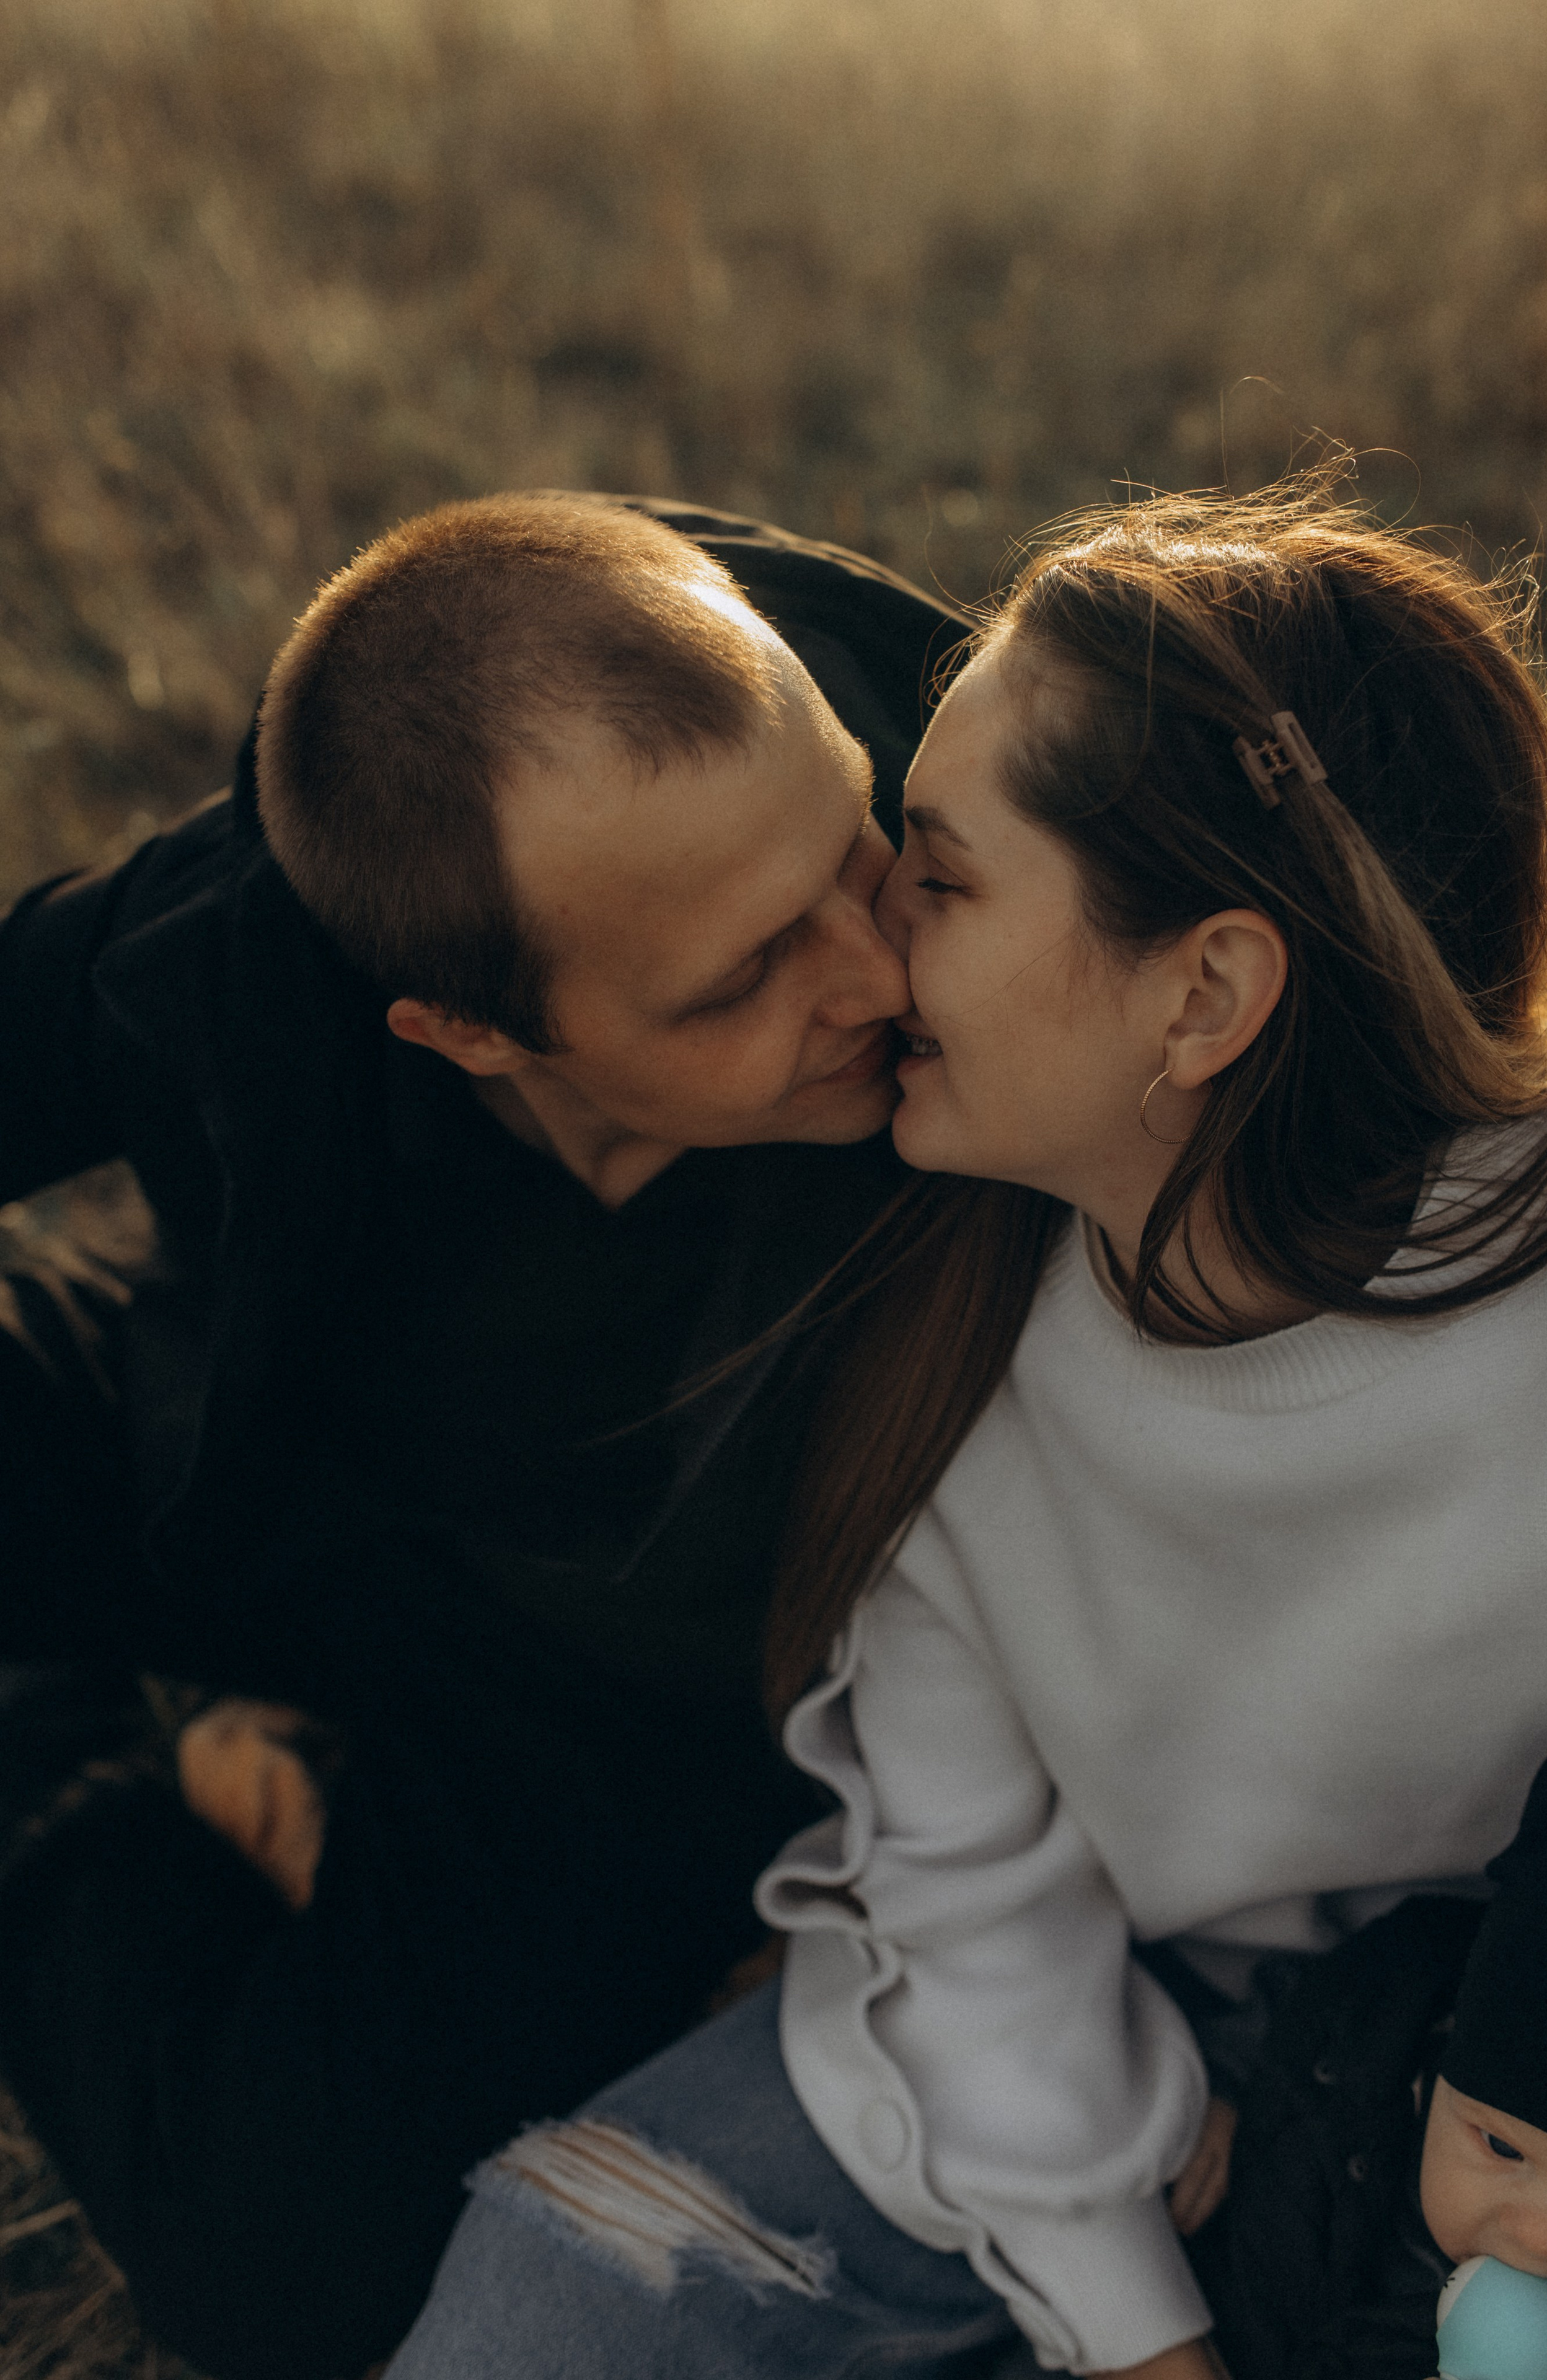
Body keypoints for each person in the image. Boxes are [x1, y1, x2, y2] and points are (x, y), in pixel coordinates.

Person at [381, 473, 1547, 2380]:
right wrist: (1133, 2338)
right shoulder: (945, 1338)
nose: (872, 945)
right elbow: (965, 1891)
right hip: (1122, 2028)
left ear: (1201, 993)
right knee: (535, 2308)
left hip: (1533, 2056)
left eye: (932, 875)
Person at [0, 491, 972, 2380]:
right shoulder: (275, 929)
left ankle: (53, 1769)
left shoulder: (1007, 820)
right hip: (255, 1477)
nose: (871, 972)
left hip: (604, 1713)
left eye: (857, 846)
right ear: (463, 1029)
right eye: (743, 973)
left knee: (285, 2276)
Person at [1184, 1732, 1547, 2379]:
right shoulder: (1365, 2034)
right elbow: (1291, 2024)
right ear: (1438, 2072)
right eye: (1502, 2149)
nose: (1541, 2237)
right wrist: (1214, 2090)